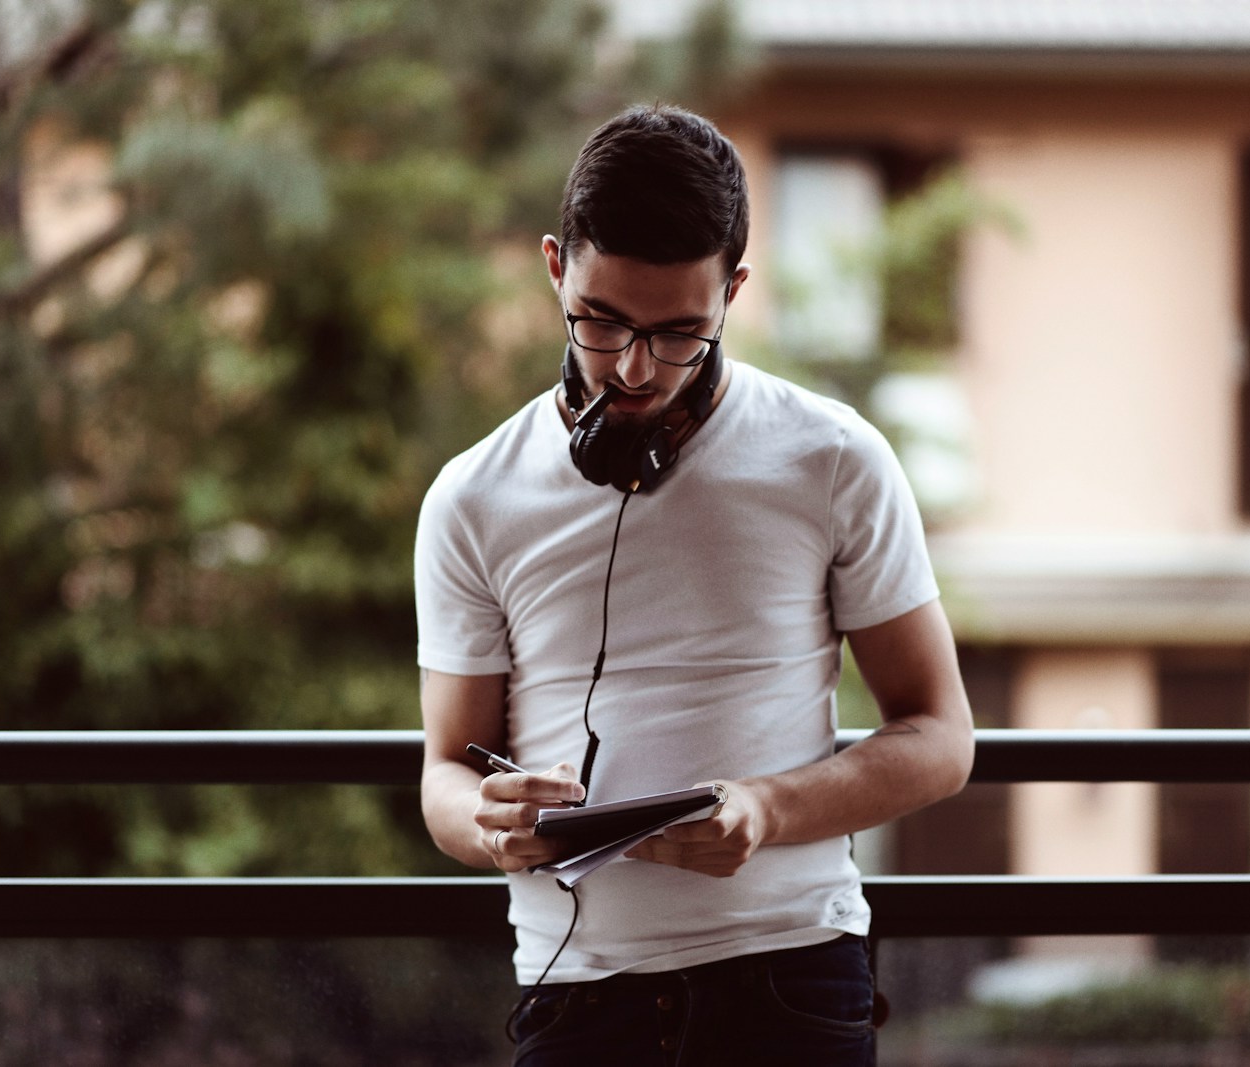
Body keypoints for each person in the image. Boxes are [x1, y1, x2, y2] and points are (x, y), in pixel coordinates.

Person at [415, 103, 974, 1067]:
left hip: (791, 979)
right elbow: (444, 774)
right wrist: (491, 825)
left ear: (734, 292)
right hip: (575, 994)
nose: (633, 369)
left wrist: (767, 808)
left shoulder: (835, 458)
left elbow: (940, 737)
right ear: (556, 266)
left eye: (679, 333)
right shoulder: (472, 495)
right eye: (600, 321)